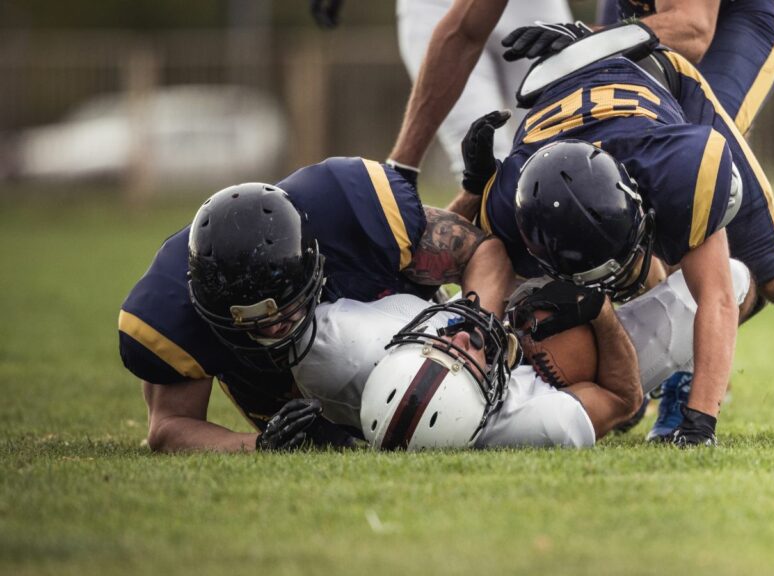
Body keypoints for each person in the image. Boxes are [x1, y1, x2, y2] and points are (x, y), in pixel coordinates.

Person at [455, 24, 774, 445]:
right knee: (590, 296)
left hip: (670, 94)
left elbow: (717, 298)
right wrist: (474, 188)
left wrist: (700, 423)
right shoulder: (511, 201)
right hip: (579, 112)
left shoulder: (678, 170)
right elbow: (459, 253)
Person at [118, 158, 514, 453]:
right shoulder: (170, 309)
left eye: (286, 311)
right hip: (293, 400)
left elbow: (481, 252)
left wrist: (477, 331)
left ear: (314, 260)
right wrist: (260, 445)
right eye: (252, 324)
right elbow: (168, 426)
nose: (274, 330)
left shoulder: (343, 211)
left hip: (410, 329)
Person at [293, 260, 759, 449]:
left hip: (504, 287)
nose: (461, 338)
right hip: (579, 362)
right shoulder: (530, 421)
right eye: (468, 359)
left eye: (439, 345)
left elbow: (484, 250)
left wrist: (478, 190)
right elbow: (621, 400)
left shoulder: (340, 349)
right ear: (484, 406)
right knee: (728, 278)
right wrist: (598, 313)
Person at [387, 0, 774, 181]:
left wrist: (583, 36)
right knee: (584, 164)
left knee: (683, 169)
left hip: (738, 14)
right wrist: (401, 170)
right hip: (647, 13)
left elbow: (692, 28)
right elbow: (463, 33)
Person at [394, 0, 573, 179]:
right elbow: (463, 36)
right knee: (484, 161)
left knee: (568, 151)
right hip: (440, 6)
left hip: (536, 6)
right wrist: (402, 166)